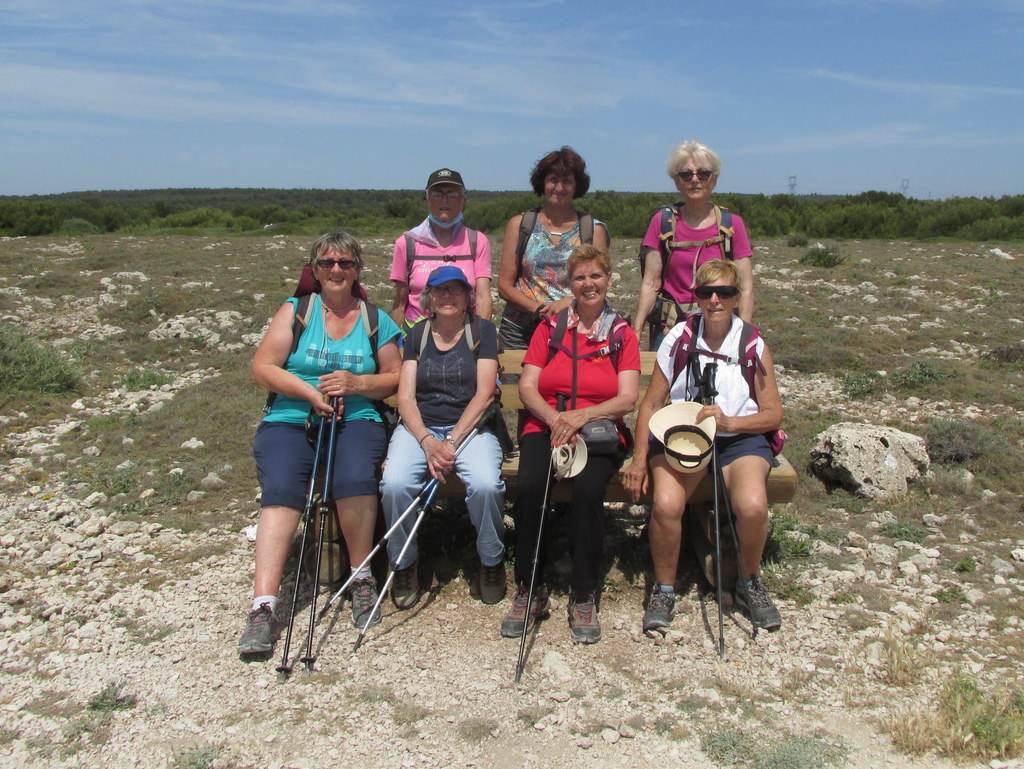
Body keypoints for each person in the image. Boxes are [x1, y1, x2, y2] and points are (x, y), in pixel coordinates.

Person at [239, 231, 402, 655]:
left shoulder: (375, 319)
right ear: (314, 269)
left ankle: (361, 576)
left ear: (358, 271)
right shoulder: (296, 312)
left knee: (354, 478)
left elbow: (396, 376)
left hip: (358, 417)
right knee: (282, 491)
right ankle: (263, 606)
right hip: (290, 416)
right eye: (328, 263)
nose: (336, 270)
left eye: (345, 263)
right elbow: (263, 366)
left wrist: (357, 383)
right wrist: (308, 392)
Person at [622, 259, 783, 633]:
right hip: (682, 440)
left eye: (724, 292)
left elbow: (773, 413)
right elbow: (651, 403)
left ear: (735, 297)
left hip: (736, 442)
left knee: (754, 506)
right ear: (695, 297)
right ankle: (663, 588)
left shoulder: (752, 344)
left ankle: (748, 581)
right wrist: (640, 457)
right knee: (666, 504)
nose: (714, 300)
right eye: (705, 293)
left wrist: (730, 422)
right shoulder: (679, 338)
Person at [501, 245, 640, 644]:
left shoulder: (621, 332)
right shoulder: (551, 328)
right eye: (579, 277)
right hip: (545, 424)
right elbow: (528, 386)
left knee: (588, 490)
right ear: (570, 284)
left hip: (597, 431)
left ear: (609, 280)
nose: (588, 284)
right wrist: (555, 419)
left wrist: (581, 417)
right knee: (529, 486)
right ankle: (530, 585)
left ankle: (583, 590)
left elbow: (627, 398)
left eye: (596, 276)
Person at [379, 266, 507, 609]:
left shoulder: (483, 332)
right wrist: (426, 441)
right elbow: (405, 397)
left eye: (455, 290)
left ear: (468, 297)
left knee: (485, 484)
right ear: (429, 299)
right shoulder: (417, 335)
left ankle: (491, 560)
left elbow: (484, 395)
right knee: (394, 483)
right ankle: (404, 563)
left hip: (472, 428)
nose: (447, 296)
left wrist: (449, 443)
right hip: (420, 429)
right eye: (439, 290)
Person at [632, 140, 755, 351]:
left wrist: (745, 335)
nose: (695, 180)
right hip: (671, 329)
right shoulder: (662, 223)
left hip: (719, 327)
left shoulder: (732, 225)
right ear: (677, 182)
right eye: (686, 174)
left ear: (714, 180)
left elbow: (744, 286)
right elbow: (650, 283)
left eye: (703, 173)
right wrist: (636, 333)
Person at [497, 147, 608, 350]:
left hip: (573, 329)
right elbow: (504, 285)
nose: (559, 187)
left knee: (564, 383)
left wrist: (569, 302)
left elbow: (600, 283)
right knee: (516, 383)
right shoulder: (521, 225)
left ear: (577, 186)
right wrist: (542, 310)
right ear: (543, 182)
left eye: (567, 180)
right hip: (519, 333)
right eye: (553, 179)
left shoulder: (593, 230)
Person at [389, 169, 493, 331]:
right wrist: (395, 343)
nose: (445, 200)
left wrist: (481, 339)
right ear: (427, 199)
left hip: (463, 331)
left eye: (452, 194)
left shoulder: (477, 241)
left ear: (464, 199)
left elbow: (483, 297)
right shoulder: (407, 243)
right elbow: (400, 302)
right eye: (437, 194)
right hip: (416, 333)